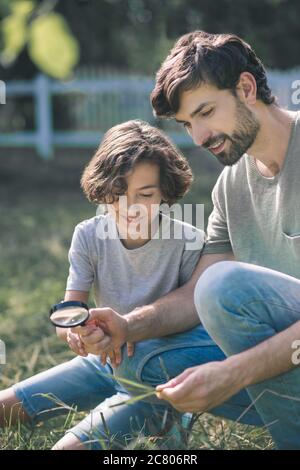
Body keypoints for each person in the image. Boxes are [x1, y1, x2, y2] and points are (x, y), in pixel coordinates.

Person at [84, 31, 300, 450]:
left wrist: (237, 372)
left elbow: (219, 290)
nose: (199, 137)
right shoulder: (230, 187)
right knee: (138, 358)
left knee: (226, 286)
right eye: (187, 124)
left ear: (246, 87)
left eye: (206, 112)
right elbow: (194, 294)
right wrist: (128, 326)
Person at [1, 119, 254, 450]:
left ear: (166, 191)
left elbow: (195, 319)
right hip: (103, 360)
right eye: (118, 195)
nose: (130, 208)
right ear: (103, 190)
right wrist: (78, 333)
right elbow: (69, 312)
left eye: (145, 194)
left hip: (154, 379)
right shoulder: (89, 235)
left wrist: (140, 333)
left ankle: (169, 421)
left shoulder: (190, 241)